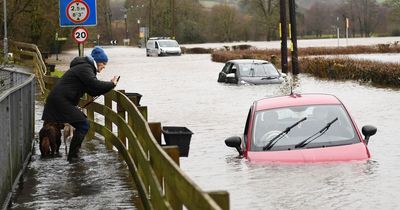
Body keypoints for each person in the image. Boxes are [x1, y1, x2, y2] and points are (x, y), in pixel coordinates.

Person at [42, 47, 119, 162]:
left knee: (82, 125)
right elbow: (95, 84)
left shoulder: (85, 68)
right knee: (83, 125)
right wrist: (111, 84)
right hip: (61, 102)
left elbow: (92, 90)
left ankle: (73, 156)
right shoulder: (85, 68)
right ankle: (73, 157)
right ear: (97, 61)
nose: (104, 67)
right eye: (103, 63)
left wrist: (108, 86)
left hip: (60, 101)